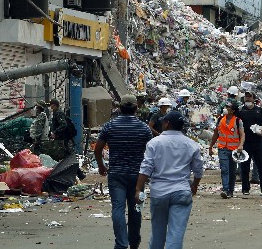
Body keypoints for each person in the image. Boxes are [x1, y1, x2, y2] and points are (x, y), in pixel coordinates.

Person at [136, 111, 203, 249]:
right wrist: (195, 185)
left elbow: (146, 168)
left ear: (167, 124)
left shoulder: (154, 143)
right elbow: (198, 170)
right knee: (176, 233)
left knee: (157, 232)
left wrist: (138, 188)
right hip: (182, 191)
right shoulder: (191, 144)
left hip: (159, 192)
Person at [94, 94, 152, 249]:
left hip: (116, 174)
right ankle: (134, 242)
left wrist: (101, 165)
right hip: (137, 176)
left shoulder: (110, 126)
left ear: (119, 108)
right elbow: (152, 152)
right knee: (136, 208)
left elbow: (98, 148)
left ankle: (121, 244)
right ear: (136, 108)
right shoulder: (144, 128)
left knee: (118, 208)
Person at [208, 101, 245, 198]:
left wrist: (241, 145)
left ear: (232, 110)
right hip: (222, 148)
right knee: (224, 169)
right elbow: (216, 133)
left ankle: (230, 191)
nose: (226, 108)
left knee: (232, 171)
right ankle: (225, 189)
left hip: (234, 150)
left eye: (228, 107)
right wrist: (211, 146)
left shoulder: (238, 121)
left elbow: (242, 135)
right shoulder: (220, 119)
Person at [237, 91, 262, 194]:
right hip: (245, 142)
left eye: (249, 96)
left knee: (261, 165)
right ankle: (245, 189)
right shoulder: (240, 110)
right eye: (246, 97)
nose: (247, 98)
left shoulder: (259, 110)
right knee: (245, 166)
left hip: (257, 141)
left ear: (254, 98)